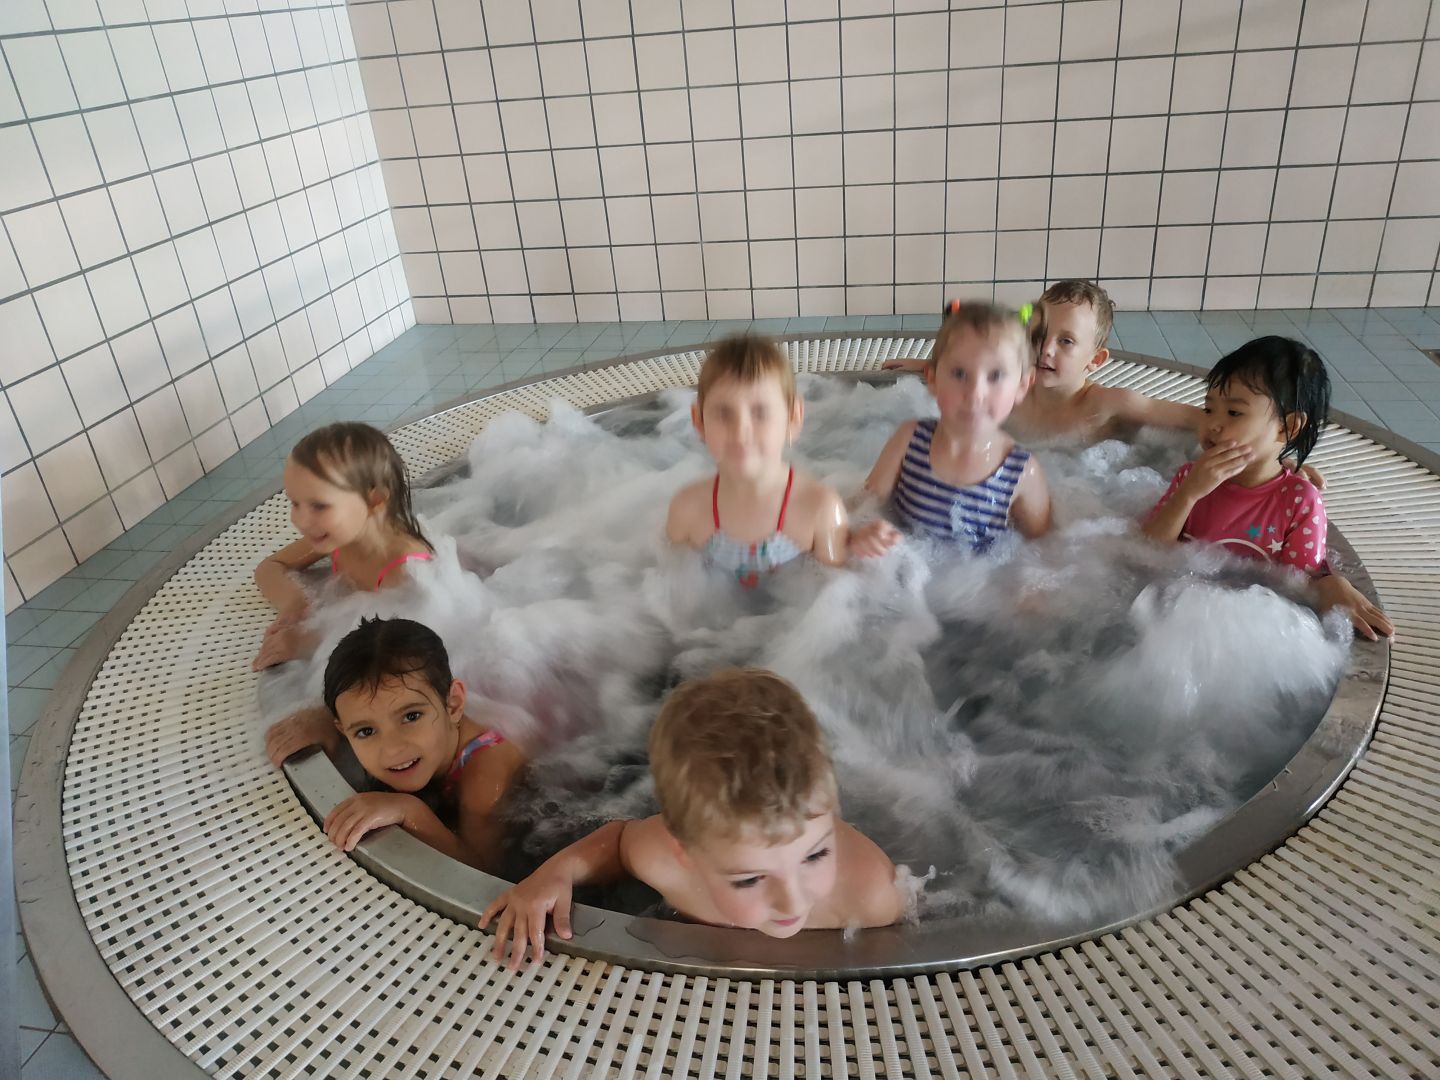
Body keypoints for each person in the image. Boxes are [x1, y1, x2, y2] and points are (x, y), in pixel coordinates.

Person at [479, 667, 903, 968]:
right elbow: (621, 843)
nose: (793, 900)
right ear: (685, 854)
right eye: (750, 879)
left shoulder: (871, 897)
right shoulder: (662, 859)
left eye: (815, 855)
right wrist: (557, 873)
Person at [1142, 336, 1390, 635]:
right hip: (1178, 614)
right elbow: (1148, 550)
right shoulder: (1189, 478)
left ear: (1287, 427)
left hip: (1250, 628)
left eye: (1234, 413)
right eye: (1209, 409)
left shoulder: (1298, 502)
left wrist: (1331, 584)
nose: (1213, 424)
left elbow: (1298, 588)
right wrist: (1187, 495)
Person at [264, 617, 525, 872]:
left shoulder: (485, 782)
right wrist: (321, 720)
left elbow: (479, 872)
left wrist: (410, 811)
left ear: (453, 704)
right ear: (342, 728)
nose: (392, 748)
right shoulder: (407, 723)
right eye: (366, 731)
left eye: (411, 717)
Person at [851, 300, 1052, 556]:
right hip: (906, 570)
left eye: (996, 376)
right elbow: (863, 506)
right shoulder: (909, 441)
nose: (975, 393)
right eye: (959, 374)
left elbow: (1045, 554)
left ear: (1023, 386)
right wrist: (860, 536)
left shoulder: (1021, 473)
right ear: (932, 379)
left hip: (978, 580)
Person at [666, 335, 851, 585]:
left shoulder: (820, 510)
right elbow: (671, 593)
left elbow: (837, 597)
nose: (741, 431)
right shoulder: (687, 509)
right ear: (699, 421)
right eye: (723, 413)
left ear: (793, 418)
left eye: (760, 412)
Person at [253, 422, 434, 669]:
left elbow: (396, 648)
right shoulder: (340, 537)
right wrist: (296, 604)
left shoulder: (406, 569)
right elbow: (270, 567)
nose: (300, 520)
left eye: (319, 506)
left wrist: (304, 643)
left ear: (375, 500)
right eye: (295, 503)